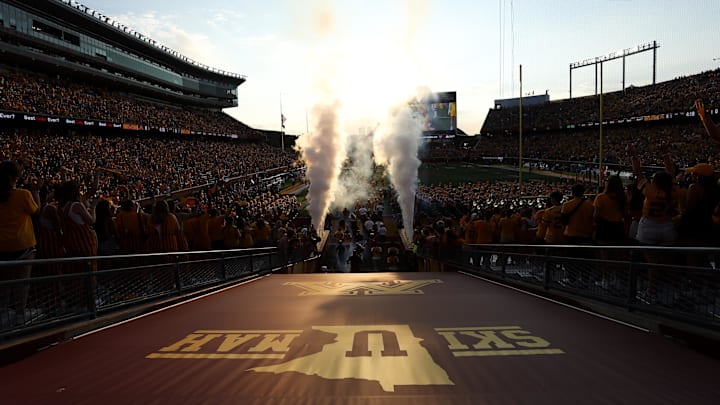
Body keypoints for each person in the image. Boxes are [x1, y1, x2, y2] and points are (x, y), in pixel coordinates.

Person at [0, 160, 40, 323]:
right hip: (23, 245)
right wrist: (36, 192)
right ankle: (19, 314)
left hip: (2, 246)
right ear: (14, 177)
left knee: (4, 284)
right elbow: (36, 211)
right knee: (22, 283)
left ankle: (3, 313)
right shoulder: (23, 194)